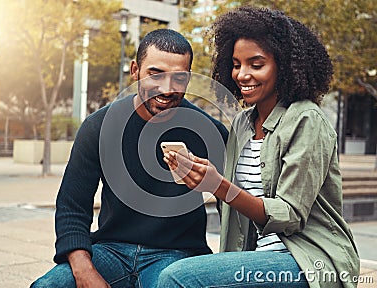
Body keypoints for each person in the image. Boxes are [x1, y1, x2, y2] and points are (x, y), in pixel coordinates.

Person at [159, 6, 359, 288]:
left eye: (256, 64)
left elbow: (290, 216)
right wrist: (200, 175)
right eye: (237, 64)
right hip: (260, 258)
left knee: (176, 278)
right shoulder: (242, 123)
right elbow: (235, 212)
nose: (242, 75)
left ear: (285, 66)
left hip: (309, 261)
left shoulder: (306, 120)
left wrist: (219, 186)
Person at [31, 29, 228, 288]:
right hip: (110, 250)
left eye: (179, 78)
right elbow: (72, 206)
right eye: (155, 74)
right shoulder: (98, 126)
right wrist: (83, 270)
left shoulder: (210, 133)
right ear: (135, 70)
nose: (167, 89)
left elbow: (233, 211)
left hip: (177, 255)